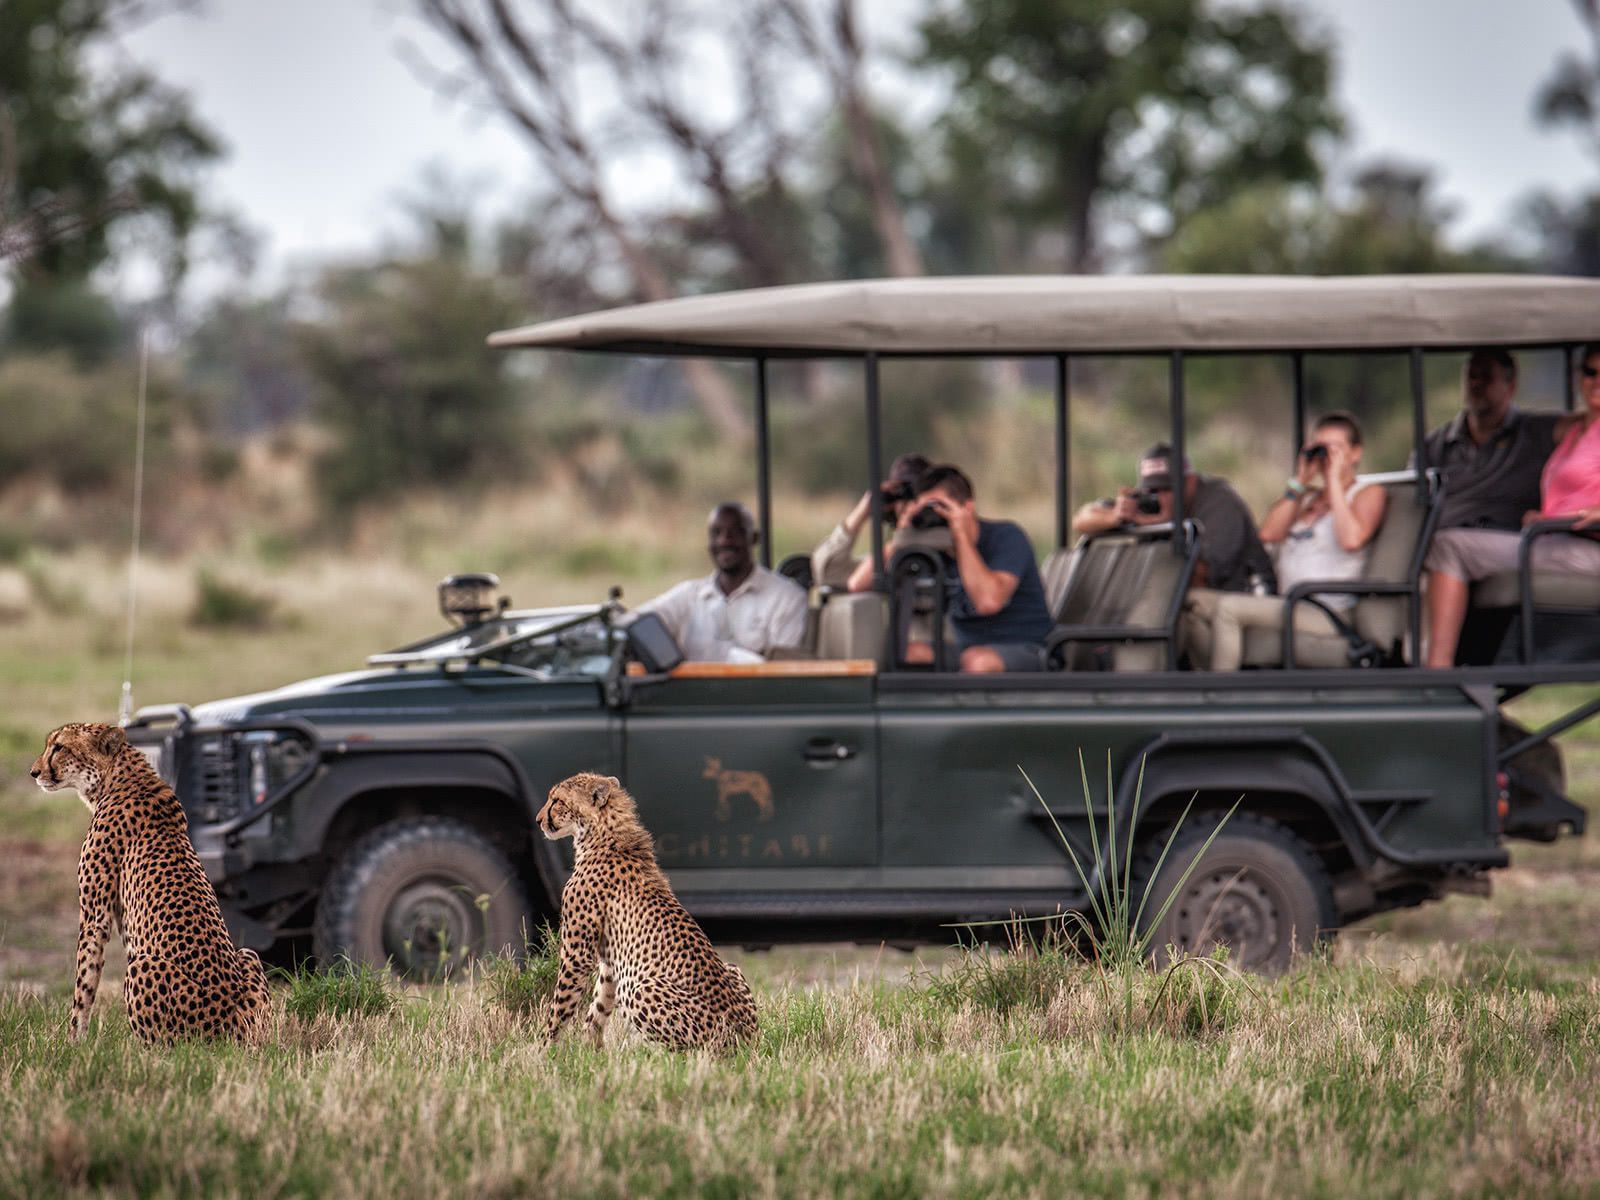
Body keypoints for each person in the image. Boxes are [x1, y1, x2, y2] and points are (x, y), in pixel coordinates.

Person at [1422, 343, 1600, 668]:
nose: (1596, 381)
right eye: (1590, 372)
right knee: (1435, 550)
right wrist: (1547, 517)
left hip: (1586, 549)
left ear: (1510, 385)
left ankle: (1436, 672)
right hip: (1552, 538)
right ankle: (1430, 664)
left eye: (1486, 378)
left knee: (1449, 547)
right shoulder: (1576, 431)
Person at [1184, 413, 1388, 672]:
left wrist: (1335, 482)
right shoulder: (1307, 498)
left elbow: (1351, 540)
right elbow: (1268, 534)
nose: (1326, 458)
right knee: (1191, 602)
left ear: (1356, 453)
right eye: (1320, 449)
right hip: (1286, 602)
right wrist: (1300, 482)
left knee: (1228, 608)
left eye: (1335, 449)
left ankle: (1223, 696)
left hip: (1327, 610)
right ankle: (1204, 682)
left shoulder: (1367, 493)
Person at [848, 464, 1053, 673]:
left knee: (977, 662)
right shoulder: (937, 547)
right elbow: (857, 585)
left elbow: (988, 602)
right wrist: (904, 533)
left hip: (1029, 648)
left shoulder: (1007, 537)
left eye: (939, 507)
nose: (935, 515)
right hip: (967, 649)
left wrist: (961, 536)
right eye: (925, 509)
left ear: (967, 508)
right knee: (907, 655)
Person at [1072, 443, 1275, 593]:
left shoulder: (1220, 502)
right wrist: (1116, 516)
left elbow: (1202, 574)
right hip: (1177, 597)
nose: (1157, 497)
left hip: (1237, 594)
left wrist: (1163, 527)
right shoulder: (1145, 502)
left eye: (1167, 489)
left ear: (1190, 482)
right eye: (1151, 489)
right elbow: (1081, 519)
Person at [637, 502, 807, 662]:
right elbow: (637, 621)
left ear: (754, 538)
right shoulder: (690, 596)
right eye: (716, 533)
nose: (724, 541)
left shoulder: (787, 598)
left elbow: (784, 674)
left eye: (735, 533)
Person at [1419, 349, 1562, 533]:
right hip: (1444, 540)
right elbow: (1412, 503)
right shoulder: (1435, 445)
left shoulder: (1539, 433)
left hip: (1512, 543)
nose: (1476, 384)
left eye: (1486, 377)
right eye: (1472, 376)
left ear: (1511, 387)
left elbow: (1584, 428)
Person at [811, 453, 930, 588]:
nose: (911, 505)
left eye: (918, 496)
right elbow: (829, 573)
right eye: (903, 495)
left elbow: (855, 584)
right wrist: (863, 509)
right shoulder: (888, 557)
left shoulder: (951, 544)